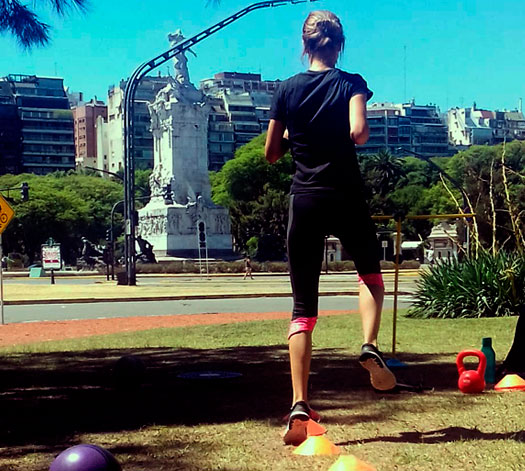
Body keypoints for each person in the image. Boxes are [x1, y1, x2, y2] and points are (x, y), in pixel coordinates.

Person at [265, 10, 396, 446]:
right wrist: (336, 131)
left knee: (303, 308)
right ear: (339, 45)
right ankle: (369, 343)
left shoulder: (286, 89)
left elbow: (270, 152)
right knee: (369, 272)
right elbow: (359, 133)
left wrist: (299, 139)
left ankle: (299, 403)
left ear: (305, 47)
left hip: (305, 198)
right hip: (346, 194)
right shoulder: (351, 82)